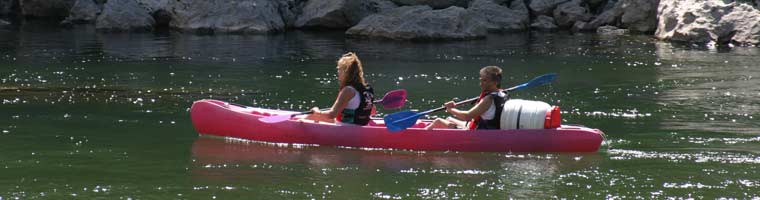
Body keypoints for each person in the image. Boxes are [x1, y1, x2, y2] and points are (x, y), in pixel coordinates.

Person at [303, 52, 376, 125]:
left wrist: (317, 112)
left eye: (339, 69)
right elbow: (373, 111)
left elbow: (332, 115)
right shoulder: (366, 88)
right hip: (363, 126)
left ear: (346, 71)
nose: (338, 72)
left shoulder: (348, 90)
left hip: (347, 129)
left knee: (311, 116)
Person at [425, 66, 508, 130]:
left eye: (485, 81)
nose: (481, 84)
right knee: (449, 119)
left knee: (438, 121)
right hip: (490, 129)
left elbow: (467, 116)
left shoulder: (488, 99)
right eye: (481, 80)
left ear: (495, 82)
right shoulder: (503, 94)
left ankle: (419, 137)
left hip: (479, 133)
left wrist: (450, 109)